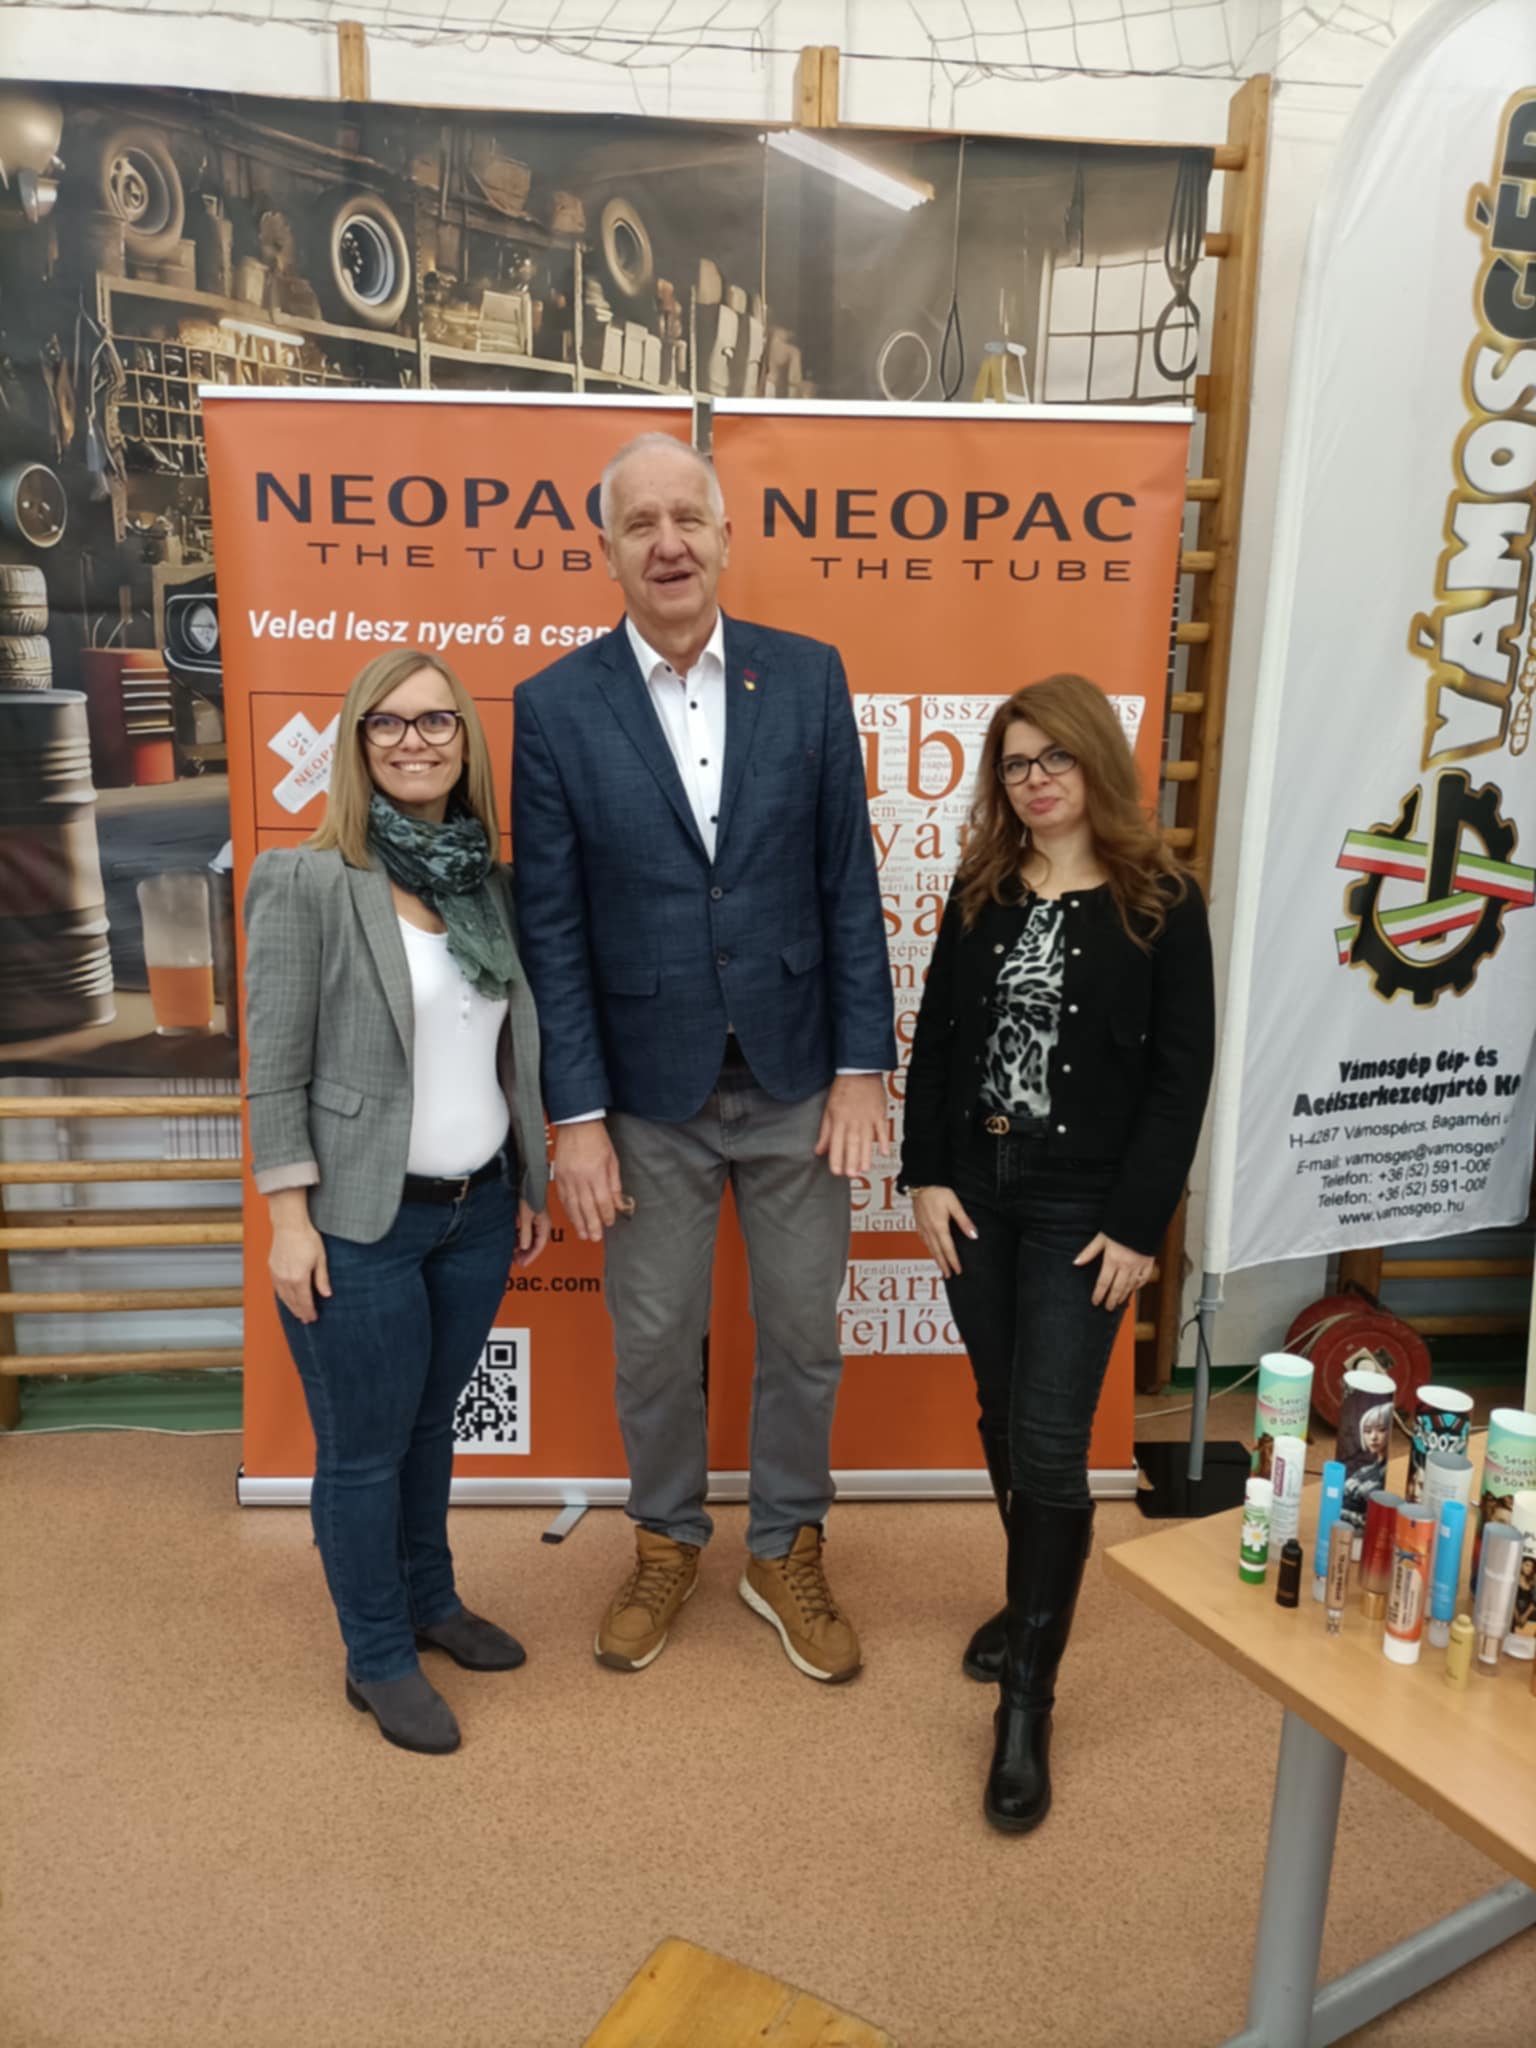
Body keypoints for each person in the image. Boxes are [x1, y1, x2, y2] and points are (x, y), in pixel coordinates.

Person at [512, 432, 895, 1684]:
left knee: (804, 1337)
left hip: (798, 1078)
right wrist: (574, 1116)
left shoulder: (808, 675)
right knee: (653, 1340)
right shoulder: (555, 707)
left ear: (727, 536)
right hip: (643, 1098)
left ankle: (785, 1546)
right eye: (641, 523)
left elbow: (847, 882)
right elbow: (552, 930)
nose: (668, 543)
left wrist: (861, 1064)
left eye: (688, 518)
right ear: (608, 550)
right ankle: (667, 1539)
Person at [902, 675, 1214, 1832]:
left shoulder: (1163, 899)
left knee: (1047, 1437)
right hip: (976, 1185)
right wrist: (924, 1171)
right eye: (1015, 763)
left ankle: (1026, 1701)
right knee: (1003, 1413)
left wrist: (1138, 1222)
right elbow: (938, 1039)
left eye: (1054, 758)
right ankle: (1027, 1597)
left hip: (1086, 1203)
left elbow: (1181, 1075)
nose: (1033, 780)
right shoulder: (982, 887)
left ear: (1095, 761)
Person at [244, 649, 550, 1756]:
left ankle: (431, 1601)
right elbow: (274, 1066)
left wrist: (527, 1179)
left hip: (477, 1210)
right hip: (357, 1223)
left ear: (465, 740)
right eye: (388, 722)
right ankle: (375, 1654)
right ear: (357, 742)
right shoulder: (307, 880)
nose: (414, 741)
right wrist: (288, 1221)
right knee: (363, 1450)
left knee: (428, 1426)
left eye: (436, 721)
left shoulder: (489, 885)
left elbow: (508, 1050)